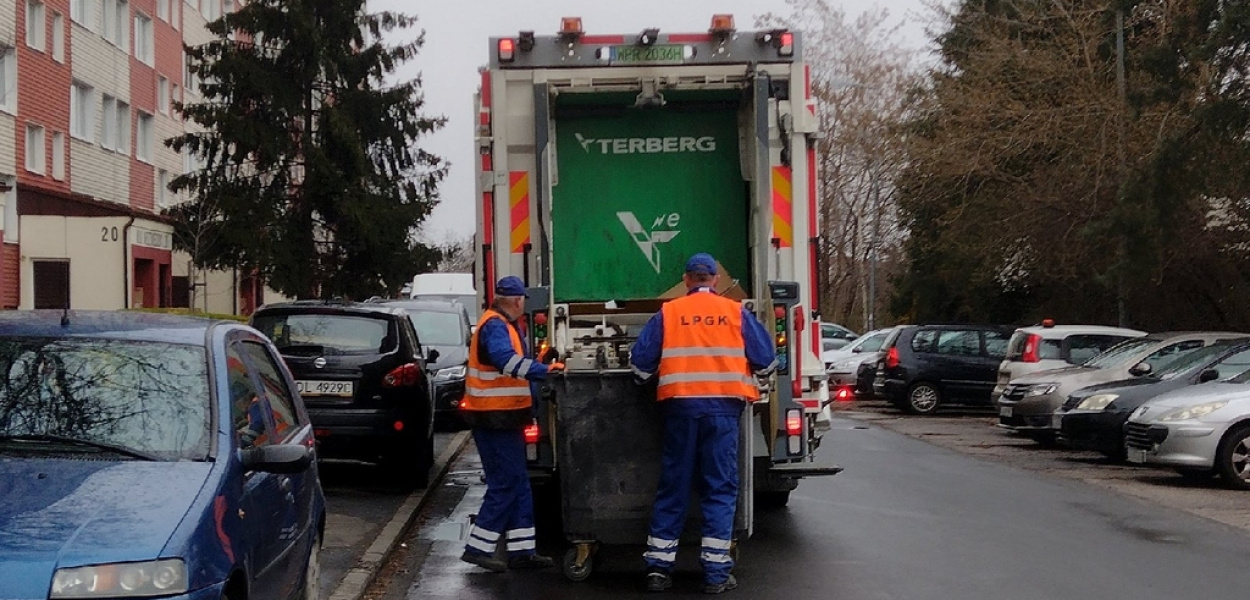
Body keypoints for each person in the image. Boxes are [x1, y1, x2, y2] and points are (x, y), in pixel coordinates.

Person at [630, 253, 777, 594]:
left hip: (680, 411)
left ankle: (658, 569)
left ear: (686, 280)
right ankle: (714, 573)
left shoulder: (669, 312)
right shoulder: (735, 312)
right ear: (714, 280)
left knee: (673, 486)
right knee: (720, 489)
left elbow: (640, 366)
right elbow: (767, 361)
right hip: (723, 413)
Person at [459, 275, 564, 572]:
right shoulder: (495, 325)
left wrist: (540, 360)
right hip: (495, 418)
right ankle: (478, 547)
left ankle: (521, 551)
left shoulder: (499, 324)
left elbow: (508, 362)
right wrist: (544, 370)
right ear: (518, 301)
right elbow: (506, 362)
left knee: (518, 483)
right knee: (505, 483)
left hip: (501, 417)